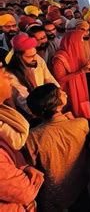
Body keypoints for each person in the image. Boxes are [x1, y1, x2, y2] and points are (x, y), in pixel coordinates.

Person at [25, 84, 89, 212]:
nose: (65, 92)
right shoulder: (81, 124)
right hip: (79, 186)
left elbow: (30, 165)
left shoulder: (32, 137)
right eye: (60, 93)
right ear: (58, 105)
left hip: (53, 196)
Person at [0, 65, 44, 211]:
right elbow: (26, 192)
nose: (7, 75)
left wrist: (24, 166)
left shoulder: (5, 120)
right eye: (1, 71)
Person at [52, 30, 90, 120]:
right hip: (68, 91)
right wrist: (81, 71)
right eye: (80, 42)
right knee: (74, 111)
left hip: (79, 85)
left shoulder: (75, 52)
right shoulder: (59, 59)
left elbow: (83, 68)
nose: (81, 44)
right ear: (72, 42)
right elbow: (60, 80)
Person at [7, 33, 59, 119]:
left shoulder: (37, 59)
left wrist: (58, 95)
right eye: (30, 56)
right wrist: (50, 108)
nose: (35, 58)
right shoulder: (11, 76)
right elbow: (26, 103)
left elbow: (49, 79)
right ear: (18, 57)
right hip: (34, 115)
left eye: (35, 54)